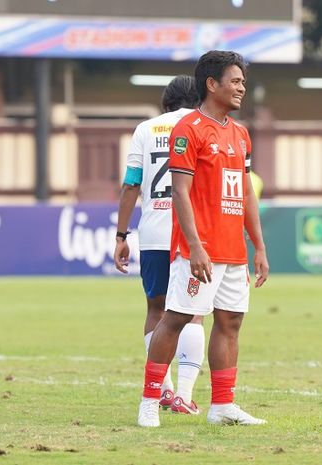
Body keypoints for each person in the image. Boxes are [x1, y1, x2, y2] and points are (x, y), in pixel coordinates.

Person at [137, 51, 269, 428]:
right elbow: (180, 192)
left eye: (243, 81)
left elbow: (245, 193)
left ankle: (222, 406)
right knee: (176, 317)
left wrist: (258, 246)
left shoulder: (241, 134)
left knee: (230, 323)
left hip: (234, 252)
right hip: (200, 250)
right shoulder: (189, 130)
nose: (242, 87)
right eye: (235, 80)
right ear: (212, 84)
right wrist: (194, 246)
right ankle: (149, 399)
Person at [114, 75, 205, 415]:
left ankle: (162, 389)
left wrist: (122, 236)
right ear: (198, 100)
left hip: (153, 232)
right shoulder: (202, 125)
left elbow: (130, 186)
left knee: (156, 309)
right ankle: (184, 393)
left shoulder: (146, 129)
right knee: (192, 312)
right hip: (192, 234)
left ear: (165, 104)